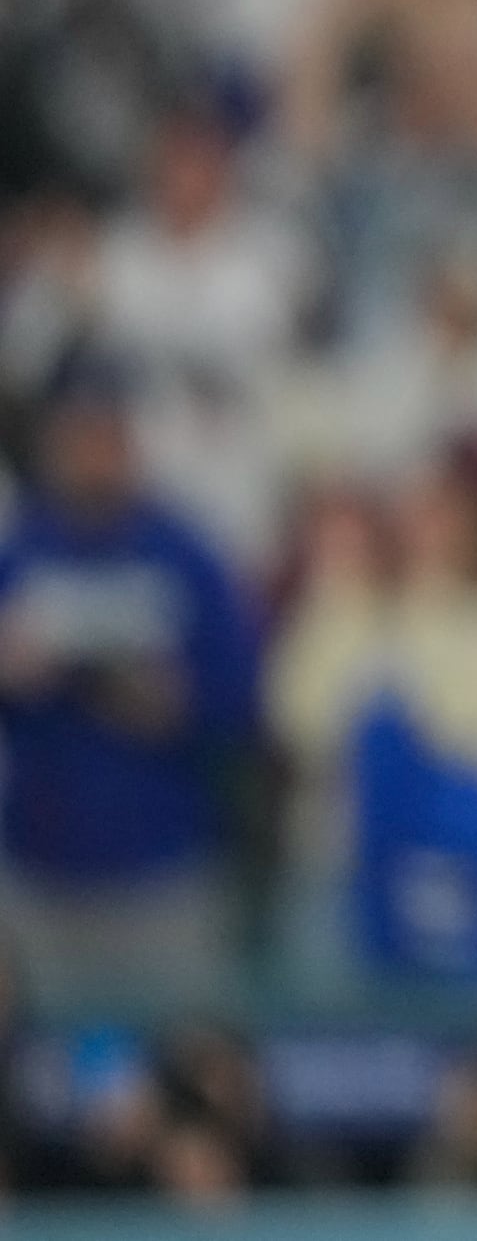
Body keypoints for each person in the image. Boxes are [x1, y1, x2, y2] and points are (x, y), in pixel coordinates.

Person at [0, 356, 261, 1013]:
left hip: (159, 866)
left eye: (108, 436)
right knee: (48, 1057)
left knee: (167, 1043)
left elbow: (239, 702)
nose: (94, 455)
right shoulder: (21, 552)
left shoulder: (185, 553)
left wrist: (174, 702)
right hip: (41, 866)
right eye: (78, 436)